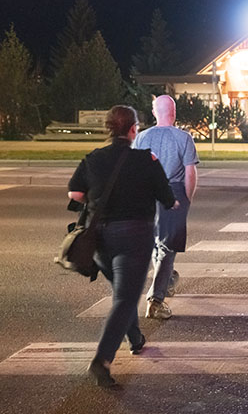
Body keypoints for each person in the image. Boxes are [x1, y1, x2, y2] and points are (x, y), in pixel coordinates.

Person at [67, 105, 176, 387]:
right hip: (134, 237)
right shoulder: (146, 160)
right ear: (133, 130)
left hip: (100, 240)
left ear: (108, 129)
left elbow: (75, 193)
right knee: (126, 297)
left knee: (121, 291)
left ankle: (136, 339)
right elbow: (165, 197)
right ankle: (101, 360)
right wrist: (173, 203)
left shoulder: (93, 158)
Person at [133, 95, 199, 320]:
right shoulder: (184, 138)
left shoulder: (141, 138)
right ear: (174, 112)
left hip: (146, 194)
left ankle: (168, 279)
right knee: (168, 247)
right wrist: (187, 199)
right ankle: (156, 299)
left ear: (154, 112)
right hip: (173, 192)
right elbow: (190, 173)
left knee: (156, 243)